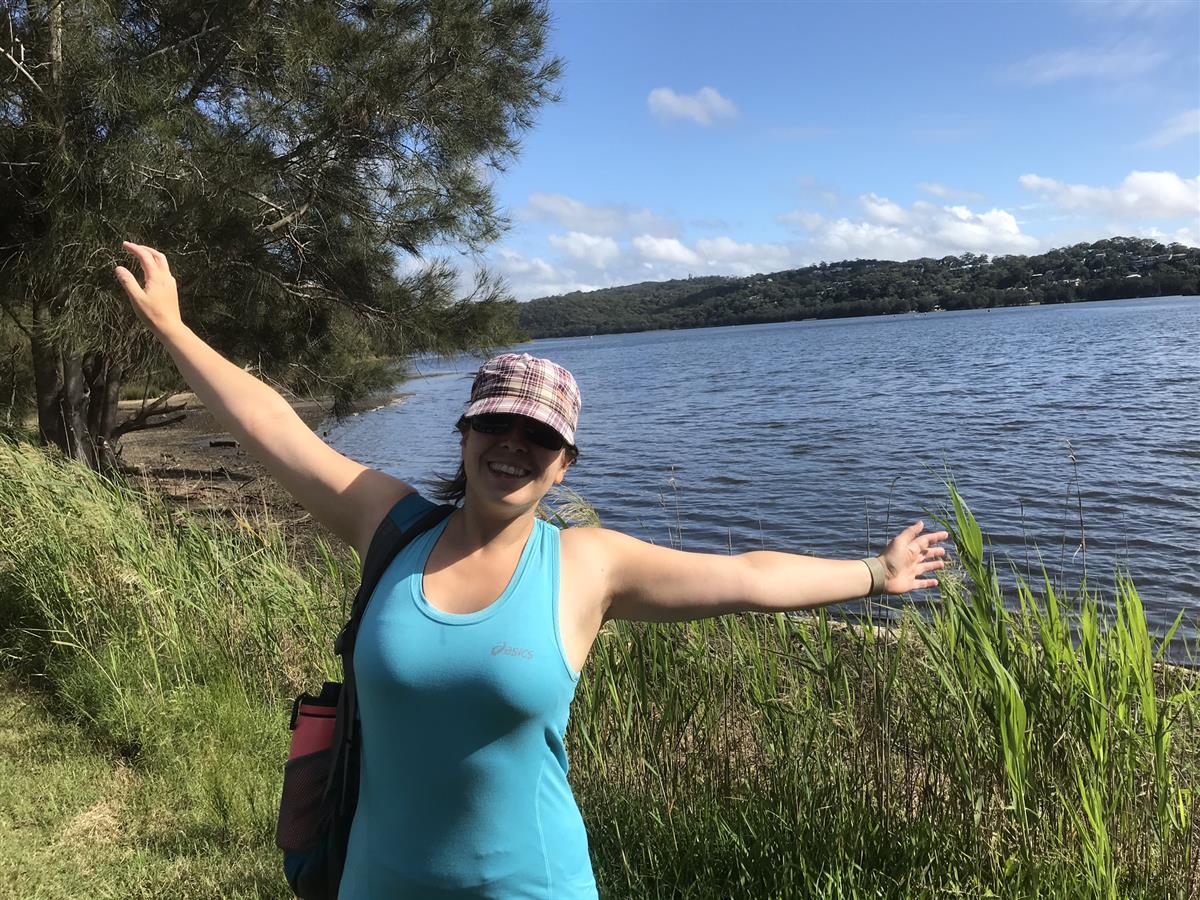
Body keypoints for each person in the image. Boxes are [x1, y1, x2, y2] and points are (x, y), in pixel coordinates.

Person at [115, 241, 947, 899]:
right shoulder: (389, 525)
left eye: (538, 437)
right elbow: (275, 429)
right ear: (466, 435)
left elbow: (751, 578)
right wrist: (173, 328)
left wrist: (873, 572)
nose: (513, 444)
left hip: (531, 888)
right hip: (374, 885)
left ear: (563, 466)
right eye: (496, 424)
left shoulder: (588, 565)